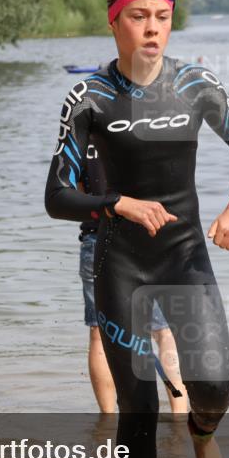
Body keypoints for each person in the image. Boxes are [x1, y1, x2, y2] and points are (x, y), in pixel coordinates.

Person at [45, 0, 229, 458]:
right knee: (138, 405)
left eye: (162, 18)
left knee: (214, 386)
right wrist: (117, 203)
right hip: (121, 264)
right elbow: (57, 197)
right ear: (115, 22)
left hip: (185, 256)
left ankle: (201, 436)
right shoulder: (89, 97)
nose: (152, 29)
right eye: (138, 17)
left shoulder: (195, 85)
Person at [78, 142, 189, 415]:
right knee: (163, 332)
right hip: (149, 236)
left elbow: (79, 192)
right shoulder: (144, 125)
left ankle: (107, 419)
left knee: (99, 333)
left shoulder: (81, 133)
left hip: (98, 237)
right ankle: (179, 416)